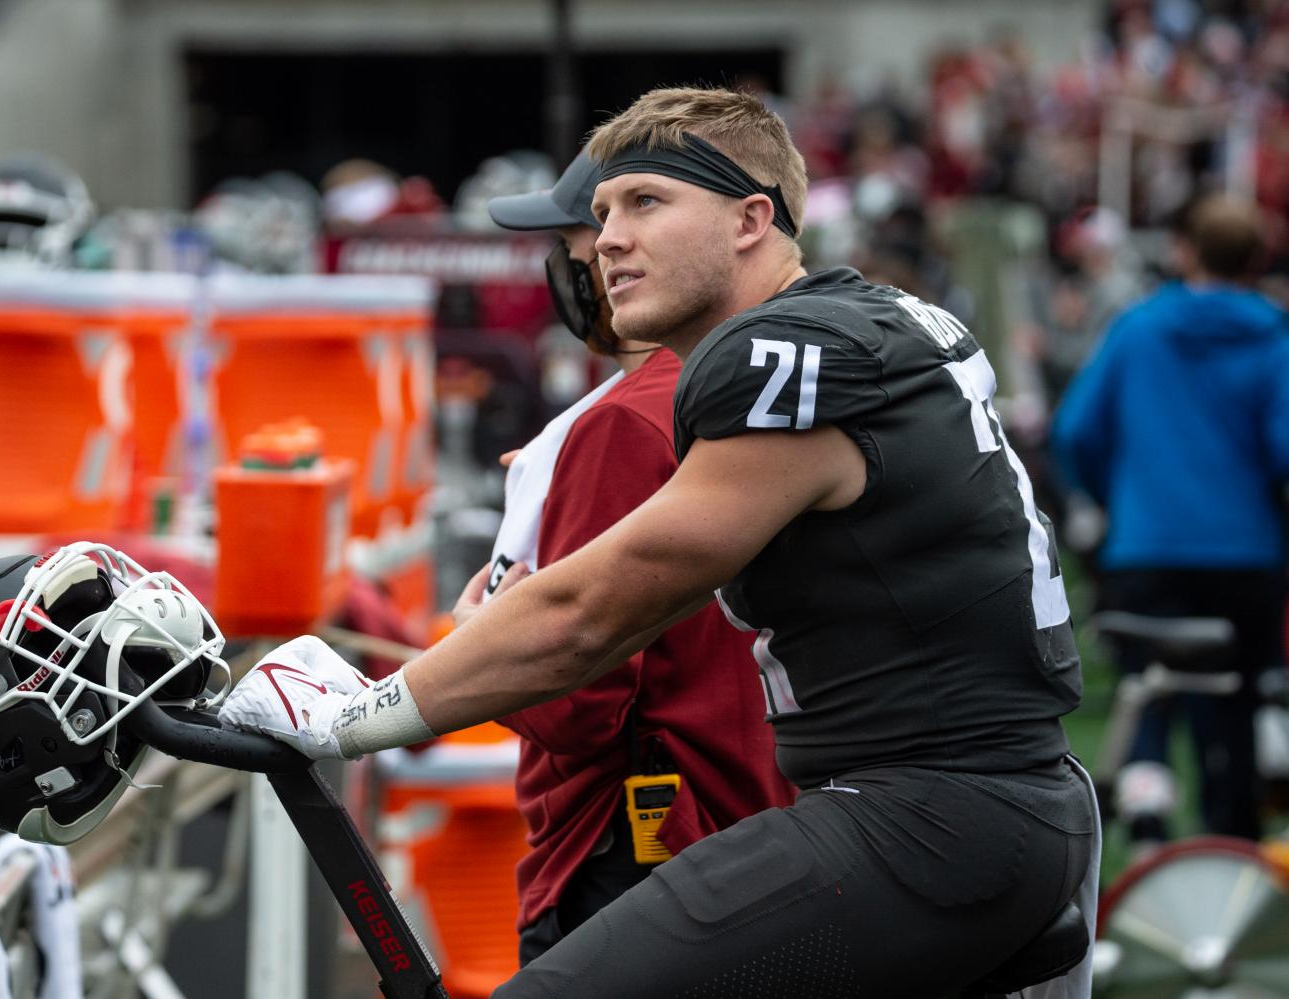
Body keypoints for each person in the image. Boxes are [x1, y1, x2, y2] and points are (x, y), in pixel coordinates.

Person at [221, 86, 1097, 998]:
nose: (605, 240)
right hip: (978, 799)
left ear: (751, 218)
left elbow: (594, 612)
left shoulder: (775, 356)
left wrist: (353, 715)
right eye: (600, 214)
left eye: (644, 202)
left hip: (926, 812)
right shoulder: (870, 321)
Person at [454, 149, 792, 964]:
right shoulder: (769, 379)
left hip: (641, 847)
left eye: (619, 221)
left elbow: (573, 695)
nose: (592, 256)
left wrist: (476, 633)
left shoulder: (627, 421)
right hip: (775, 829)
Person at [1053, 193, 1289, 846]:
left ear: (1184, 251)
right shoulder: (1273, 335)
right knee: (1236, 706)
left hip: (1145, 549)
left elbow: (1074, 430)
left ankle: (1148, 818)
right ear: (1256, 257)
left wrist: (1115, 499)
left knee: (1145, 690)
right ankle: (1234, 849)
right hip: (1246, 554)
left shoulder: (1136, 328)